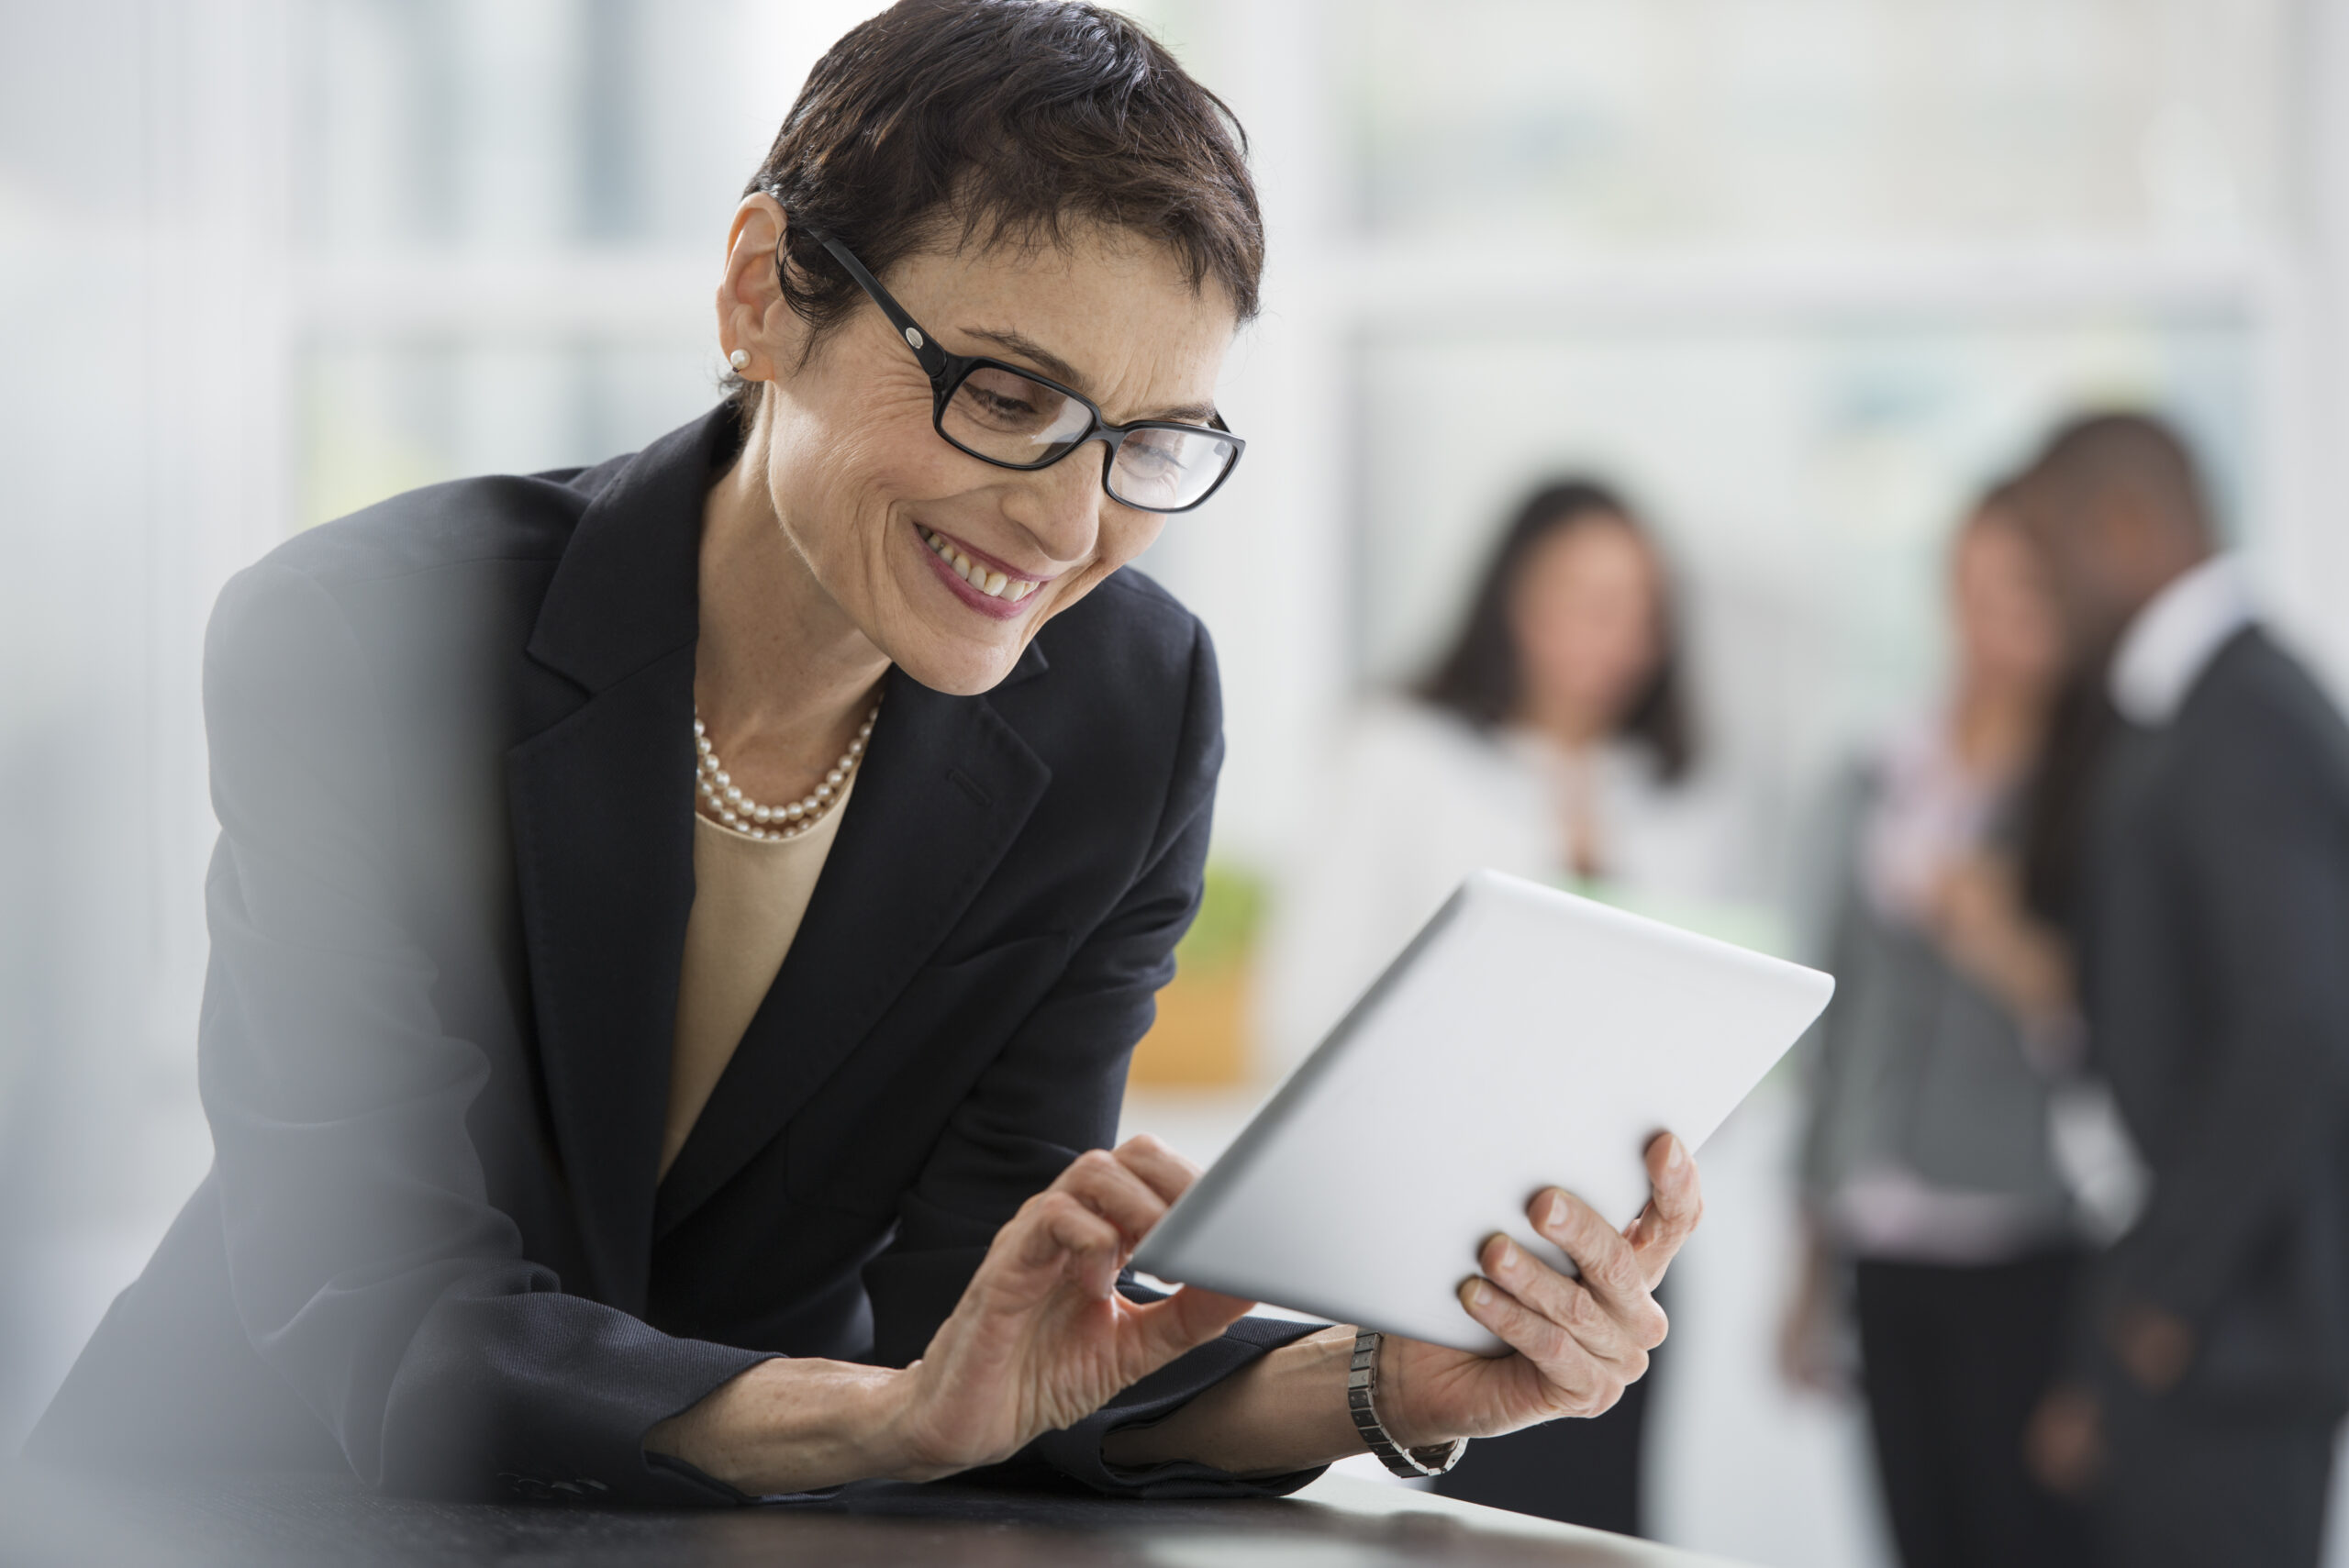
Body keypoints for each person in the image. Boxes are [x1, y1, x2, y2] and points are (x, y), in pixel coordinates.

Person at [25, 1, 1702, 1507]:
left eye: (1150, 440)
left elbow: (994, 1329)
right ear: (763, 290)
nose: (1067, 519)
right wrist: (878, 1425)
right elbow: (382, 1315)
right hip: (241, 1500)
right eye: (1004, 391)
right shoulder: (369, 640)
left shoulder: (1126, 705)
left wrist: (1381, 1377)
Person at [1261, 480, 1733, 1534]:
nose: (1613, 636)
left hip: (1622, 1257)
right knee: (1444, 1530)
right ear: (1509, 601)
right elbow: (1305, 1008)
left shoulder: (1671, 793)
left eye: (1637, 607)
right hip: (1441, 1250)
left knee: (1601, 1530)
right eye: (1581, 597)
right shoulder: (1395, 752)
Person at [2010, 414, 2349, 1568]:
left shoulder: (2242, 709)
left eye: (2049, 550)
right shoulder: (2192, 706)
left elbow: (2300, 1015)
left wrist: (2168, 1295)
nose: (2039, 586)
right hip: (2198, 1314)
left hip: (2232, 1326)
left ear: (2125, 527)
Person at [1781, 488, 2090, 1568]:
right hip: (1881, 1231)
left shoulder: (2085, 784)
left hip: (2032, 1236)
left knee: (2023, 1535)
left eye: (2023, 592)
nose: (1992, 619)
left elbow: (2107, 1019)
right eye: (1974, 585)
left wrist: (1994, 930)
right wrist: (1807, 1273)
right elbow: (1828, 1023)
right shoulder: (1878, 769)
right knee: (1916, 1535)